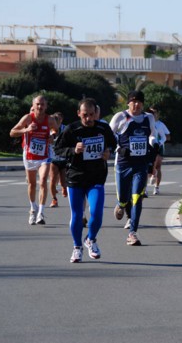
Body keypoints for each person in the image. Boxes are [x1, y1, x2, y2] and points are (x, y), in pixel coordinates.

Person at [54, 98, 117, 263]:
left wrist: (108, 151)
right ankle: (77, 247)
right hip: (76, 176)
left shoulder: (103, 128)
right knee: (77, 215)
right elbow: (58, 149)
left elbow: (114, 143)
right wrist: (73, 150)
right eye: (85, 115)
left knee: (96, 212)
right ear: (78, 114)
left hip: (96, 177)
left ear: (96, 113)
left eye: (91, 115)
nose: (89, 119)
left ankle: (90, 239)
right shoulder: (71, 129)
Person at [109, 90, 159, 246]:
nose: (136, 104)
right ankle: (122, 204)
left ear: (143, 104)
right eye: (133, 101)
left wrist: (153, 142)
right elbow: (108, 136)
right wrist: (118, 148)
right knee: (124, 197)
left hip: (140, 164)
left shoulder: (148, 118)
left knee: (137, 197)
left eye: (139, 102)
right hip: (123, 163)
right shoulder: (120, 117)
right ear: (128, 103)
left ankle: (133, 233)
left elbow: (151, 134)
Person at [10, 95, 58, 225]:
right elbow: (12, 132)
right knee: (32, 184)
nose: (40, 107)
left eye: (42, 104)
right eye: (38, 104)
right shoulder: (27, 118)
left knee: (43, 180)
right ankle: (33, 209)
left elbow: (55, 130)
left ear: (46, 106)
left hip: (44, 156)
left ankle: (41, 213)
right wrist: (26, 129)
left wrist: (52, 137)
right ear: (33, 105)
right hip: (29, 156)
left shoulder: (50, 120)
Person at [149, 106, 171, 196]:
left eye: (154, 112)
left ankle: (156, 187)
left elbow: (168, 136)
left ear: (157, 114)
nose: (153, 114)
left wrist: (160, 141)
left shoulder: (161, 124)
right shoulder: (146, 123)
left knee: (157, 166)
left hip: (159, 147)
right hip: (148, 147)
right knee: (148, 167)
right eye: (151, 112)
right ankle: (144, 188)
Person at [49, 112, 68, 208]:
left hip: (64, 158)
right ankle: (54, 199)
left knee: (63, 180)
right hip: (53, 159)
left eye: (58, 121)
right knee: (52, 180)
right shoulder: (49, 131)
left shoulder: (65, 129)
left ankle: (64, 187)